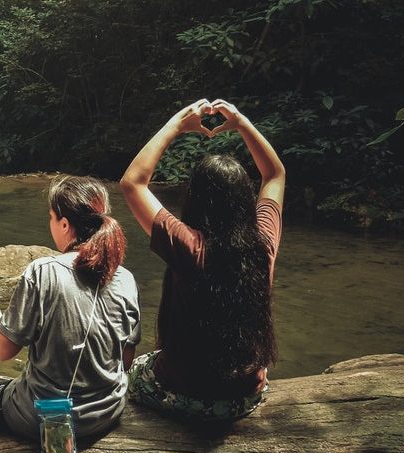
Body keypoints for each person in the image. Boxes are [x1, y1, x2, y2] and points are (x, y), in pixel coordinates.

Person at [118, 98, 286, 423]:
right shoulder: (263, 244)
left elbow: (132, 182)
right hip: (244, 396)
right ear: (245, 201)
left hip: (185, 395)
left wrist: (177, 125)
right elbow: (275, 174)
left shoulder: (188, 245)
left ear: (194, 200)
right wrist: (241, 124)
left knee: (137, 369)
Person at [0, 175, 140, 445]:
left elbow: (3, 350)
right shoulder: (125, 278)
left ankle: (56, 441)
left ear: (65, 224)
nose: (50, 223)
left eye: (51, 217)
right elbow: (125, 361)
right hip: (107, 413)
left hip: (46, 419)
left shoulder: (43, 271)